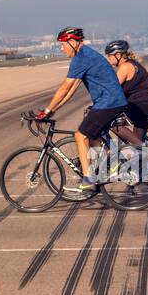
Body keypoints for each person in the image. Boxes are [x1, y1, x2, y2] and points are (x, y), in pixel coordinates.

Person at [35, 27, 127, 192]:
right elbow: (71, 90)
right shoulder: (85, 56)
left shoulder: (81, 58)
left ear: (73, 42)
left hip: (109, 102)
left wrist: (47, 111)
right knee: (93, 138)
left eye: (63, 45)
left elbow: (64, 87)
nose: (62, 48)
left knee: (80, 135)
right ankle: (114, 163)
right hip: (112, 102)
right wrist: (54, 109)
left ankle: (88, 178)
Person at [103, 39, 148, 147]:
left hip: (145, 105)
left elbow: (112, 90)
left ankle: (143, 149)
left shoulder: (125, 67)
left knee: (111, 122)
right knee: (137, 145)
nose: (108, 58)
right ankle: (142, 152)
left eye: (109, 55)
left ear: (118, 55)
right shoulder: (131, 64)